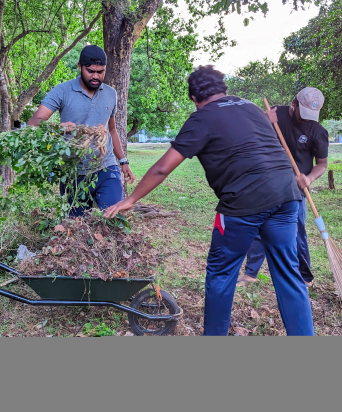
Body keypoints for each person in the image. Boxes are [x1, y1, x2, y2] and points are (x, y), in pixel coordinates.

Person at [104, 66, 314, 336]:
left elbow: (162, 168)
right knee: (289, 274)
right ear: (223, 88)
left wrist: (131, 199)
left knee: (221, 275)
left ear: (194, 98)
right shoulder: (250, 107)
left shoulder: (202, 118)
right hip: (287, 196)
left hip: (243, 203)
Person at [236, 87, 329, 289]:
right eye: (303, 113)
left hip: (296, 188)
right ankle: (251, 273)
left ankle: (305, 276)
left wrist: (309, 178)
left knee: (296, 232)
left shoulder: (317, 130)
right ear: (294, 104)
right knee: (259, 227)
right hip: (267, 182)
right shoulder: (275, 114)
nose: (306, 119)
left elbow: (322, 164)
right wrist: (263, 120)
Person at [27, 45, 135, 216]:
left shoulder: (111, 94)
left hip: (106, 168)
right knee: (77, 226)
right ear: (80, 66)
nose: (96, 76)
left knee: (114, 218)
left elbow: (112, 130)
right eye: (90, 71)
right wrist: (58, 128)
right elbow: (33, 123)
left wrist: (123, 161)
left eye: (100, 71)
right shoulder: (62, 91)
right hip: (73, 173)